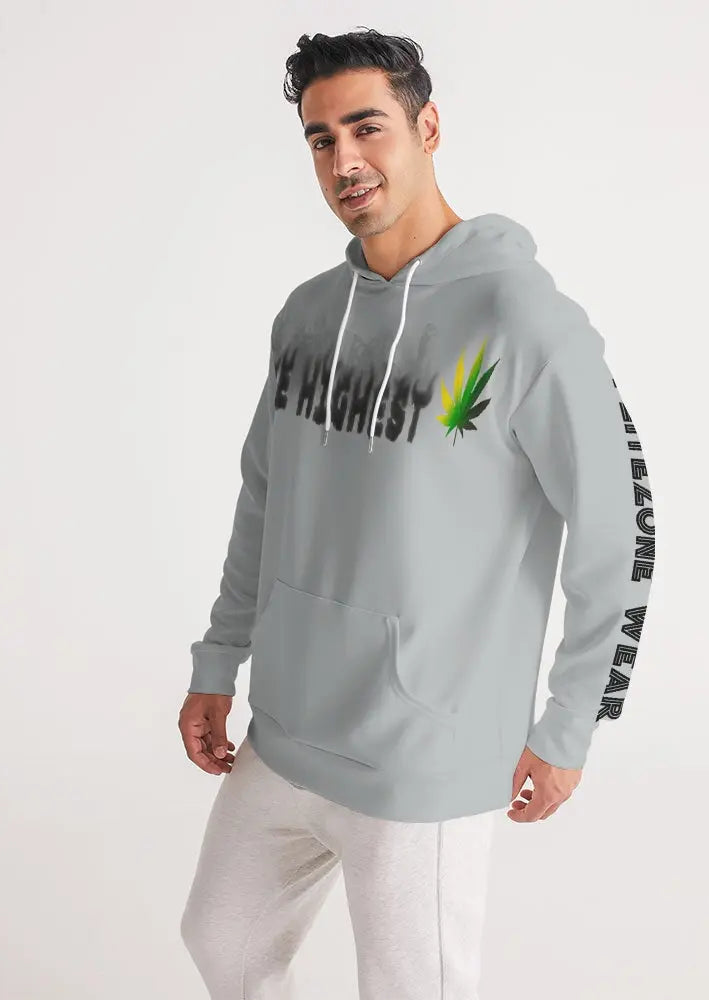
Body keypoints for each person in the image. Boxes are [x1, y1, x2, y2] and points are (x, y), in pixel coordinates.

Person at [178, 26, 656, 1000]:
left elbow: (619, 530)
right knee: (222, 942)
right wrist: (219, 659)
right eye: (320, 139)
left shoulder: (523, 321)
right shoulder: (307, 315)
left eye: (368, 128)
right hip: (287, 727)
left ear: (427, 126)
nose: (343, 160)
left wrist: (568, 724)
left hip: (424, 753)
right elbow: (263, 496)